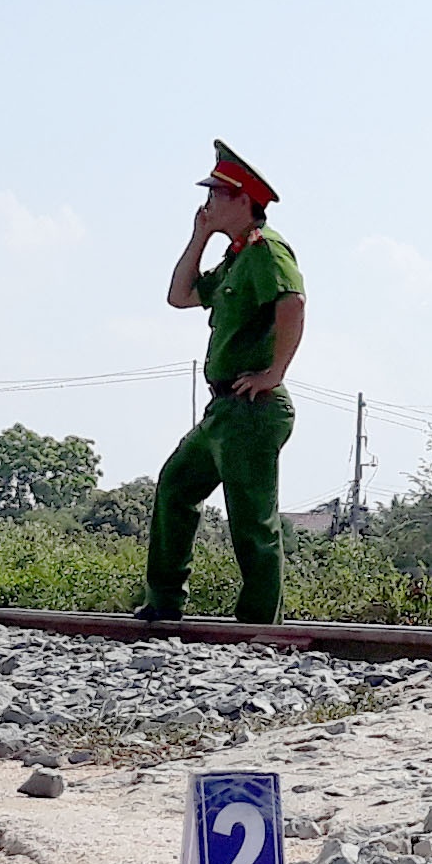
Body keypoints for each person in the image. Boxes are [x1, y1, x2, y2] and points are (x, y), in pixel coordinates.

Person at [138, 142, 305, 625]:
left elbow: (293, 302)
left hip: (253, 406)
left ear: (241, 200)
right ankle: (164, 601)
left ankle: (258, 624)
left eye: (216, 194)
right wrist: (200, 236)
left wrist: (274, 373)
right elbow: (180, 295)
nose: (207, 202)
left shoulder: (266, 250)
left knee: (252, 519)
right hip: (224, 409)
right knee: (176, 486)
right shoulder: (236, 258)